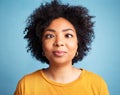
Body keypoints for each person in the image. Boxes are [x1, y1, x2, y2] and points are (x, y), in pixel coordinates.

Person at [14, 0, 109, 95]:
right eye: (50, 36)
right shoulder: (26, 85)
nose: (59, 42)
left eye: (68, 35)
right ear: (40, 44)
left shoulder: (97, 84)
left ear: (78, 42)